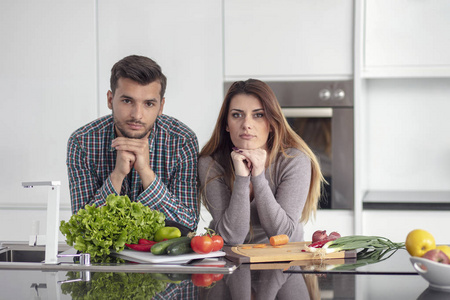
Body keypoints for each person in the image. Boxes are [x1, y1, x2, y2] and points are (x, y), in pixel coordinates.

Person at [67, 55, 199, 231]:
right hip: (106, 258)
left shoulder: (182, 141)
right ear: (110, 100)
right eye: (127, 101)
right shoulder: (82, 142)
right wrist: (117, 176)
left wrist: (146, 174)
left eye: (149, 104)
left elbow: (188, 225)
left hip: (163, 256)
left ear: (161, 107)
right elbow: (81, 229)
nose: (137, 115)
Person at [198, 79, 324, 244]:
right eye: (237, 115)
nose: (246, 124)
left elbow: (282, 234)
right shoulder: (211, 163)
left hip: (284, 261)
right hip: (230, 260)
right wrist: (242, 179)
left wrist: (258, 176)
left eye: (258, 115)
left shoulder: (294, 160)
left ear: (271, 123)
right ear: (226, 124)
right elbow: (231, 238)